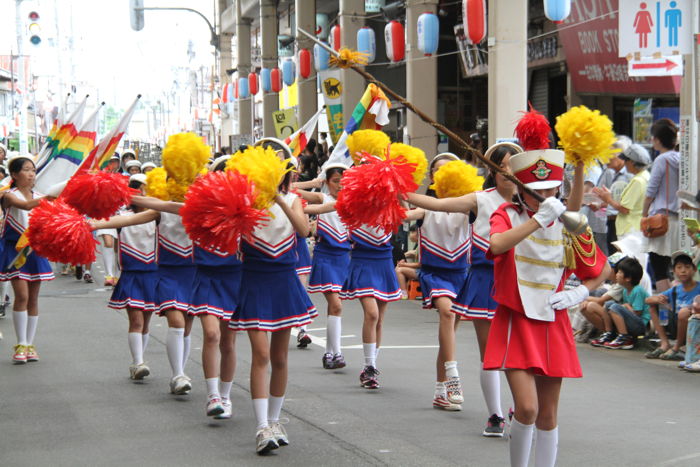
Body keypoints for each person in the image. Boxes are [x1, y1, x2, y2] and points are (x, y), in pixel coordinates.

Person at [483, 147, 609, 467]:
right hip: (516, 318)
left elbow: (601, 270)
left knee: (548, 414)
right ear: (521, 191)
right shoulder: (507, 216)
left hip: (553, 321)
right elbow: (496, 245)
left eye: (550, 189)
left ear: (558, 188)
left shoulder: (570, 222)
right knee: (526, 408)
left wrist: (579, 292)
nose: (544, 196)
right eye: (536, 192)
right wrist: (539, 219)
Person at [407, 144, 520, 434]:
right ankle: (494, 414)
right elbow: (438, 205)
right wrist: (396, 190)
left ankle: (521, 407)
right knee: (491, 353)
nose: (507, 172)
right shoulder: (479, 200)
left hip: (520, 282)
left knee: (517, 351)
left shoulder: (530, 201)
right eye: (500, 167)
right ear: (491, 171)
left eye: (512, 165)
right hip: (484, 280)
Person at [228, 153, 317, 454]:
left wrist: (278, 199)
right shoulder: (245, 202)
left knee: (279, 358)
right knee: (261, 355)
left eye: (281, 172)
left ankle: (275, 420)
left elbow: (303, 232)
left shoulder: (292, 200)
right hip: (254, 279)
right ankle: (261, 425)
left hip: (284, 281)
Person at [402, 153, 472, 412]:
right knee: (446, 312)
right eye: (438, 171)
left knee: (448, 337)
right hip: (435, 273)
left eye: (449, 169)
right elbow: (406, 213)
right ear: (431, 177)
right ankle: (453, 377)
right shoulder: (426, 206)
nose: (443, 174)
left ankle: (440, 391)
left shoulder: (469, 205)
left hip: (460, 274)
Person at [91, 174, 157, 380]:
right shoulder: (122, 216)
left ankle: (139, 359)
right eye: (142, 190)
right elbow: (106, 227)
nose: (146, 194)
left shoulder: (159, 216)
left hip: (153, 274)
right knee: (136, 320)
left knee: (146, 322)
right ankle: (138, 362)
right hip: (131, 274)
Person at [0, 155, 55, 363]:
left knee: (33, 298)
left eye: (33, 169)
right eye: (26, 169)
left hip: (35, 251)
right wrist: (51, 197)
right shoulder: (8, 195)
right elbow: (26, 206)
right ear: (14, 174)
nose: (31, 173)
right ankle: (21, 344)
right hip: (15, 251)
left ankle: (30, 344)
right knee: (21, 296)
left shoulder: (40, 195)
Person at [340, 218, 402, 389]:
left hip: (384, 260)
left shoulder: (389, 203)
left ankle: (370, 365)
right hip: (363, 259)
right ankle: (369, 366)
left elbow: (404, 212)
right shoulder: (354, 203)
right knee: (372, 313)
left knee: (379, 319)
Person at [301, 163, 351, 369]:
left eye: (344, 182)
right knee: (336, 304)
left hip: (344, 259)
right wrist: (313, 183)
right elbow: (292, 191)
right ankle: (336, 353)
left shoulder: (353, 202)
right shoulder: (324, 198)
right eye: (335, 181)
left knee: (336, 306)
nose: (340, 185)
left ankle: (330, 353)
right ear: (327, 183)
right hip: (325, 257)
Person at [643, 118, 680, 293]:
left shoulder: (661, 159)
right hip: (679, 219)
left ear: (658, 139)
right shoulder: (682, 159)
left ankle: (668, 309)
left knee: (659, 269)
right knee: (679, 269)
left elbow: (650, 192)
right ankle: (677, 305)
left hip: (661, 221)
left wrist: (644, 215)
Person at [644, 251, 700, 360]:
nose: (683, 271)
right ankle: (664, 344)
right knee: (653, 305)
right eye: (679, 268)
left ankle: (677, 347)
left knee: (684, 312)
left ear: (694, 270)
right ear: (674, 271)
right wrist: (658, 299)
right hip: (676, 326)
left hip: (693, 327)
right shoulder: (675, 290)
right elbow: (647, 300)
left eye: (687, 267)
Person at [587, 257, 649, 349]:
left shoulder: (637, 290)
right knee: (608, 304)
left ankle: (624, 338)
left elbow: (637, 313)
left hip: (640, 325)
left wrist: (626, 306)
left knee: (615, 307)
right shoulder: (625, 290)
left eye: (620, 272)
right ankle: (609, 333)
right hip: (632, 322)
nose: (616, 274)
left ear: (628, 278)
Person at [593, 144, 650, 241]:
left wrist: (608, 199)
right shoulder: (645, 176)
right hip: (635, 227)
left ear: (632, 162)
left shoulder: (637, 180)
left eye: (626, 160)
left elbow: (625, 209)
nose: (625, 163)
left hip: (630, 230)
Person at [394, 225, 419, 299]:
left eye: (411, 232)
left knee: (399, 270)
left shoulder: (422, 245)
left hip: (424, 272)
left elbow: (421, 264)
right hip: (421, 270)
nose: (410, 235)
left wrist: (405, 264)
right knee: (399, 267)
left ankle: (403, 293)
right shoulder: (419, 245)